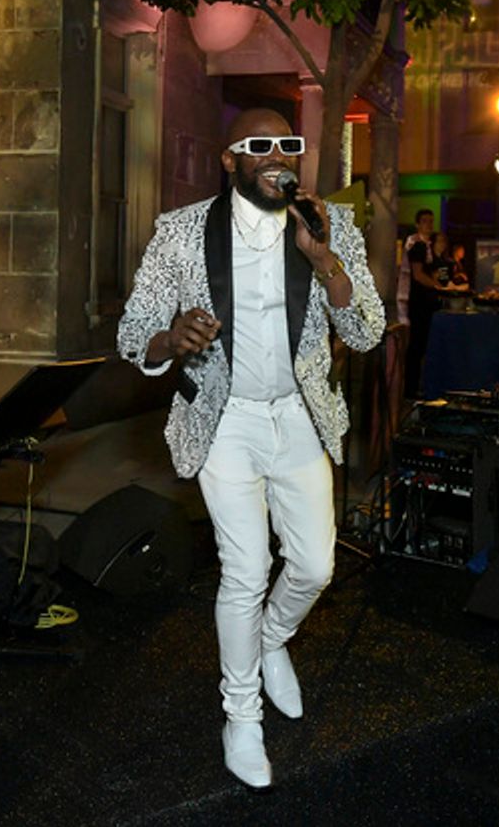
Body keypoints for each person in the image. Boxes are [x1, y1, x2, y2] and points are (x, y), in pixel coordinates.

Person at [117, 108, 384, 789]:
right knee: (245, 570)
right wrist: (169, 339)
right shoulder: (180, 233)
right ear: (230, 159)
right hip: (224, 418)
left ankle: (269, 642)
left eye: (287, 145)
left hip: (298, 417)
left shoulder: (331, 226)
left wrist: (325, 263)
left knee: (316, 565)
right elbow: (134, 334)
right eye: (258, 146)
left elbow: (368, 330)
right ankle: (240, 715)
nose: (277, 157)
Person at [404, 209, 442, 397]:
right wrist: (437, 286)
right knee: (417, 346)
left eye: (431, 221)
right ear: (418, 224)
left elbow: (433, 272)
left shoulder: (428, 247)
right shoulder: (417, 247)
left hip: (427, 303)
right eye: (425, 221)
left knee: (422, 346)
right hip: (420, 303)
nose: (429, 224)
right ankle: (411, 388)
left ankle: (417, 385)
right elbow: (418, 275)